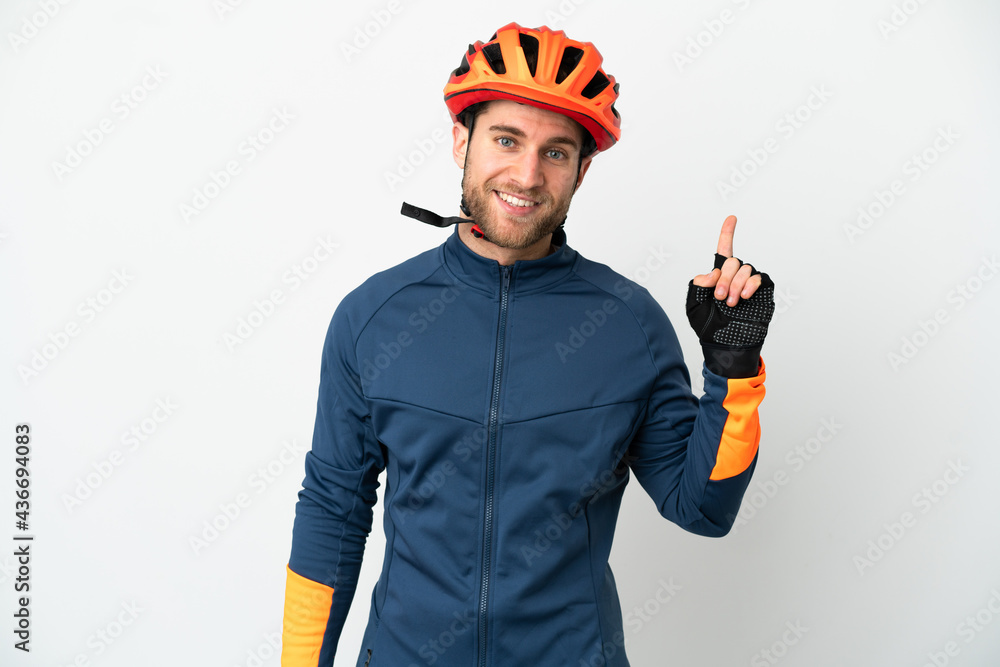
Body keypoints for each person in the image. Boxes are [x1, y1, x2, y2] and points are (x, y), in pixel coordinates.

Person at [281, 22, 774, 667]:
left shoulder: (629, 325)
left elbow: (701, 508)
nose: (527, 174)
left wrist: (731, 367)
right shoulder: (374, 317)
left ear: (582, 169)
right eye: (506, 140)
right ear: (462, 138)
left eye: (556, 152)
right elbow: (332, 512)